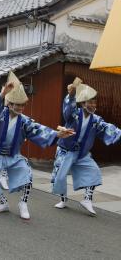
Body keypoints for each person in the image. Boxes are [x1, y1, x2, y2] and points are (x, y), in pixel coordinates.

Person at [0, 72, 74, 220]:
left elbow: (38, 129)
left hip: (13, 155)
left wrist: (57, 134)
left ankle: (23, 203)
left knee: (27, 175)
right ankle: (3, 203)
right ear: (10, 103)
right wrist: (1, 96)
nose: (20, 108)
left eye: (22, 105)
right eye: (17, 105)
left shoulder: (24, 121)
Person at [52, 78, 121, 215]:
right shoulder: (73, 115)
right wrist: (71, 95)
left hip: (82, 153)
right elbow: (67, 110)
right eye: (90, 102)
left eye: (94, 102)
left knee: (94, 172)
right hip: (65, 151)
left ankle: (87, 200)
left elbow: (108, 127)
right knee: (60, 177)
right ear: (83, 104)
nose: (93, 105)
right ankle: (63, 199)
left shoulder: (96, 120)